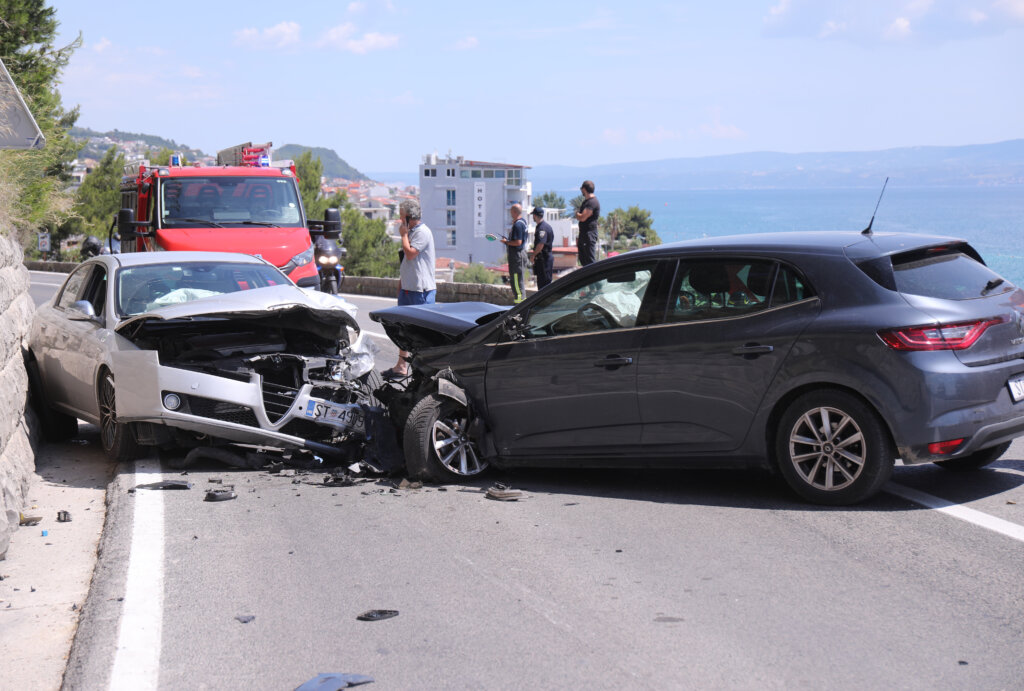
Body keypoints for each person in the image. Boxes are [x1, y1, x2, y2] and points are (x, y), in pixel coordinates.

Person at [382, 200, 436, 379]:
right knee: (403, 330)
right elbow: (407, 263)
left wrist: (403, 235)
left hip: (421, 290)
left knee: (421, 331)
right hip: (408, 289)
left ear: (407, 217)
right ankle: (402, 365)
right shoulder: (412, 232)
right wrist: (401, 284)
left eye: (401, 215)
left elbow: (411, 253)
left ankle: (425, 369)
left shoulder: (422, 232)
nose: (398, 218)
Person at [502, 203, 528, 303]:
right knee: (518, 279)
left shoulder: (517, 225)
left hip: (517, 256)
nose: (510, 213)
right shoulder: (523, 222)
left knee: (516, 279)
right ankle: (520, 300)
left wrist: (506, 242)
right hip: (520, 254)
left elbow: (518, 242)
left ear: (514, 212)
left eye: (511, 211)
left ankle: (519, 302)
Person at [575, 180, 600, 266]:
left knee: (590, 262)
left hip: (589, 235)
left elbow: (582, 217)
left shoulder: (592, 202)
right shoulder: (586, 202)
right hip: (583, 234)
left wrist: (577, 214)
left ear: (584, 189)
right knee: (584, 261)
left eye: (581, 189)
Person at [529, 206, 554, 290]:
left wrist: (533, 255)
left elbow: (540, 244)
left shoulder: (542, 228)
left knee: (544, 285)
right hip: (544, 259)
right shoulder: (546, 226)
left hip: (544, 260)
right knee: (543, 283)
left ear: (535, 216)